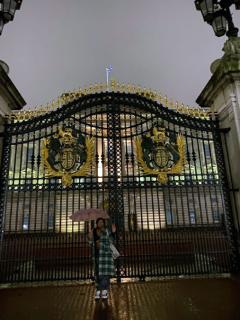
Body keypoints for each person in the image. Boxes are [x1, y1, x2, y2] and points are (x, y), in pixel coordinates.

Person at [88, 217, 116, 300]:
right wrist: (89, 238)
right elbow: (90, 243)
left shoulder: (107, 231)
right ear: (96, 224)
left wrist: (113, 233)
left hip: (105, 256)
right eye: (99, 222)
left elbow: (111, 242)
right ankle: (98, 290)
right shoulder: (93, 232)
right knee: (98, 274)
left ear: (104, 223)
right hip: (97, 255)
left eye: (102, 222)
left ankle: (104, 291)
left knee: (105, 274)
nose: (100, 223)